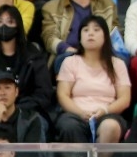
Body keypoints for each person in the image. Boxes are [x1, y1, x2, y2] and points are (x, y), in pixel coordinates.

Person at [54, 15, 132, 144]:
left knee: (111, 127)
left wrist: (105, 111)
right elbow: (63, 95)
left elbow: (124, 99)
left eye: (96, 30)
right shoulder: (70, 62)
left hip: (108, 113)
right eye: (85, 30)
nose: (90, 33)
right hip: (75, 114)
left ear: (105, 36)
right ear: (80, 37)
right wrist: (81, 113)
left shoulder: (118, 64)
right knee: (69, 127)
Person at [0, 5, 55, 117]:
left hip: (28, 113)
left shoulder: (33, 55)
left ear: (18, 25)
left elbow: (43, 93)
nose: (4, 26)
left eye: (10, 22)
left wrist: (15, 109)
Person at [42, 0, 119, 71]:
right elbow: (49, 38)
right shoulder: (51, 8)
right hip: (69, 53)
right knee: (67, 61)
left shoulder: (107, 4)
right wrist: (69, 49)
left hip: (102, 52)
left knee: (120, 61)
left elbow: (115, 33)